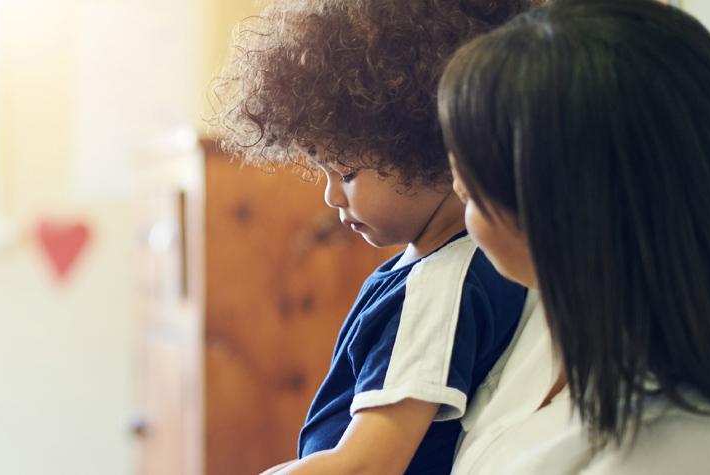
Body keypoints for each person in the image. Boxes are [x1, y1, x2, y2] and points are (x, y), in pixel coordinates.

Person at [214, 0, 537, 472]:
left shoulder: (440, 286)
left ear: (430, 149)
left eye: (345, 173)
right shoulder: (438, 269)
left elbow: (368, 464)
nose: (330, 197)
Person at [439, 0, 710, 472]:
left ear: (559, 209)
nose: (455, 187)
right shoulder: (547, 312)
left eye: (470, 185)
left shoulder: (680, 446)